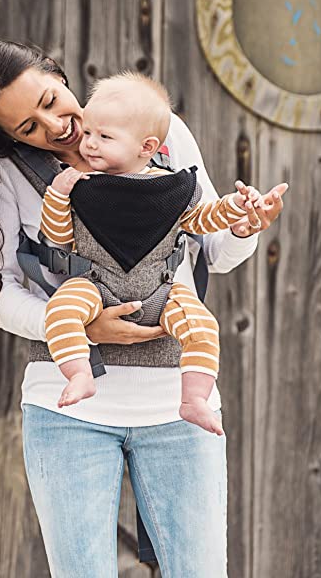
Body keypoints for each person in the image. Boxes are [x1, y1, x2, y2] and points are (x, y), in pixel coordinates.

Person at [0, 40, 287, 577]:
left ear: (59, 74)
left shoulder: (160, 134)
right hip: (68, 408)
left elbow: (216, 249)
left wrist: (242, 226)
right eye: (28, 127)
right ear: (8, 138)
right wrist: (74, 324)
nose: (55, 126)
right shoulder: (7, 177)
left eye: (52, 100)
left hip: (176, 401)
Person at [40, 72, 260, 436]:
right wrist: (57, 196)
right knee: (61, 310)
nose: (90, 145)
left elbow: (202, 220)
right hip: (96, 286)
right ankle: (79, 374)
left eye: (105, 137)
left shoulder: (170, 187)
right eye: (89, 133)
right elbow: (59, 236)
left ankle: (194, 398)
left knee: (203, 327)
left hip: (162, 289)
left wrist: (236, 207)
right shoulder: (79, 187)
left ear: (146, 147)